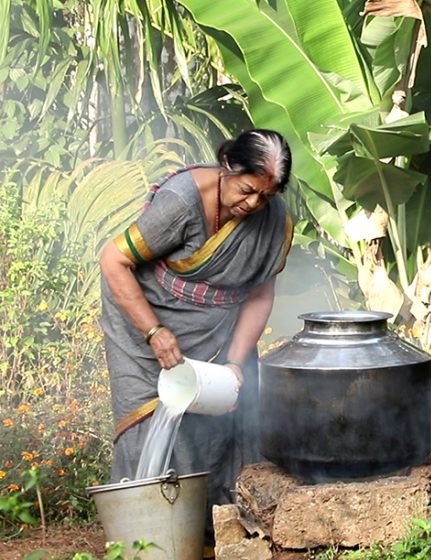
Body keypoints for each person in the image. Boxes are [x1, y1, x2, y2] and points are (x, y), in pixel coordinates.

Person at [99, 128, 293, 514]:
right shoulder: (181, 202)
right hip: (146, 324)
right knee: (149, 420)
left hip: (222, 331)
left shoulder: (274, 220)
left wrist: (235, 362)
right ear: (227, 166)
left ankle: (211, 530)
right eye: (247, 190)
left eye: (266, 195)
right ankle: (145, 534)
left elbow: (259, 295)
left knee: (227, 419)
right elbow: (113, 260)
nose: (254, 203)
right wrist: (154, 332)